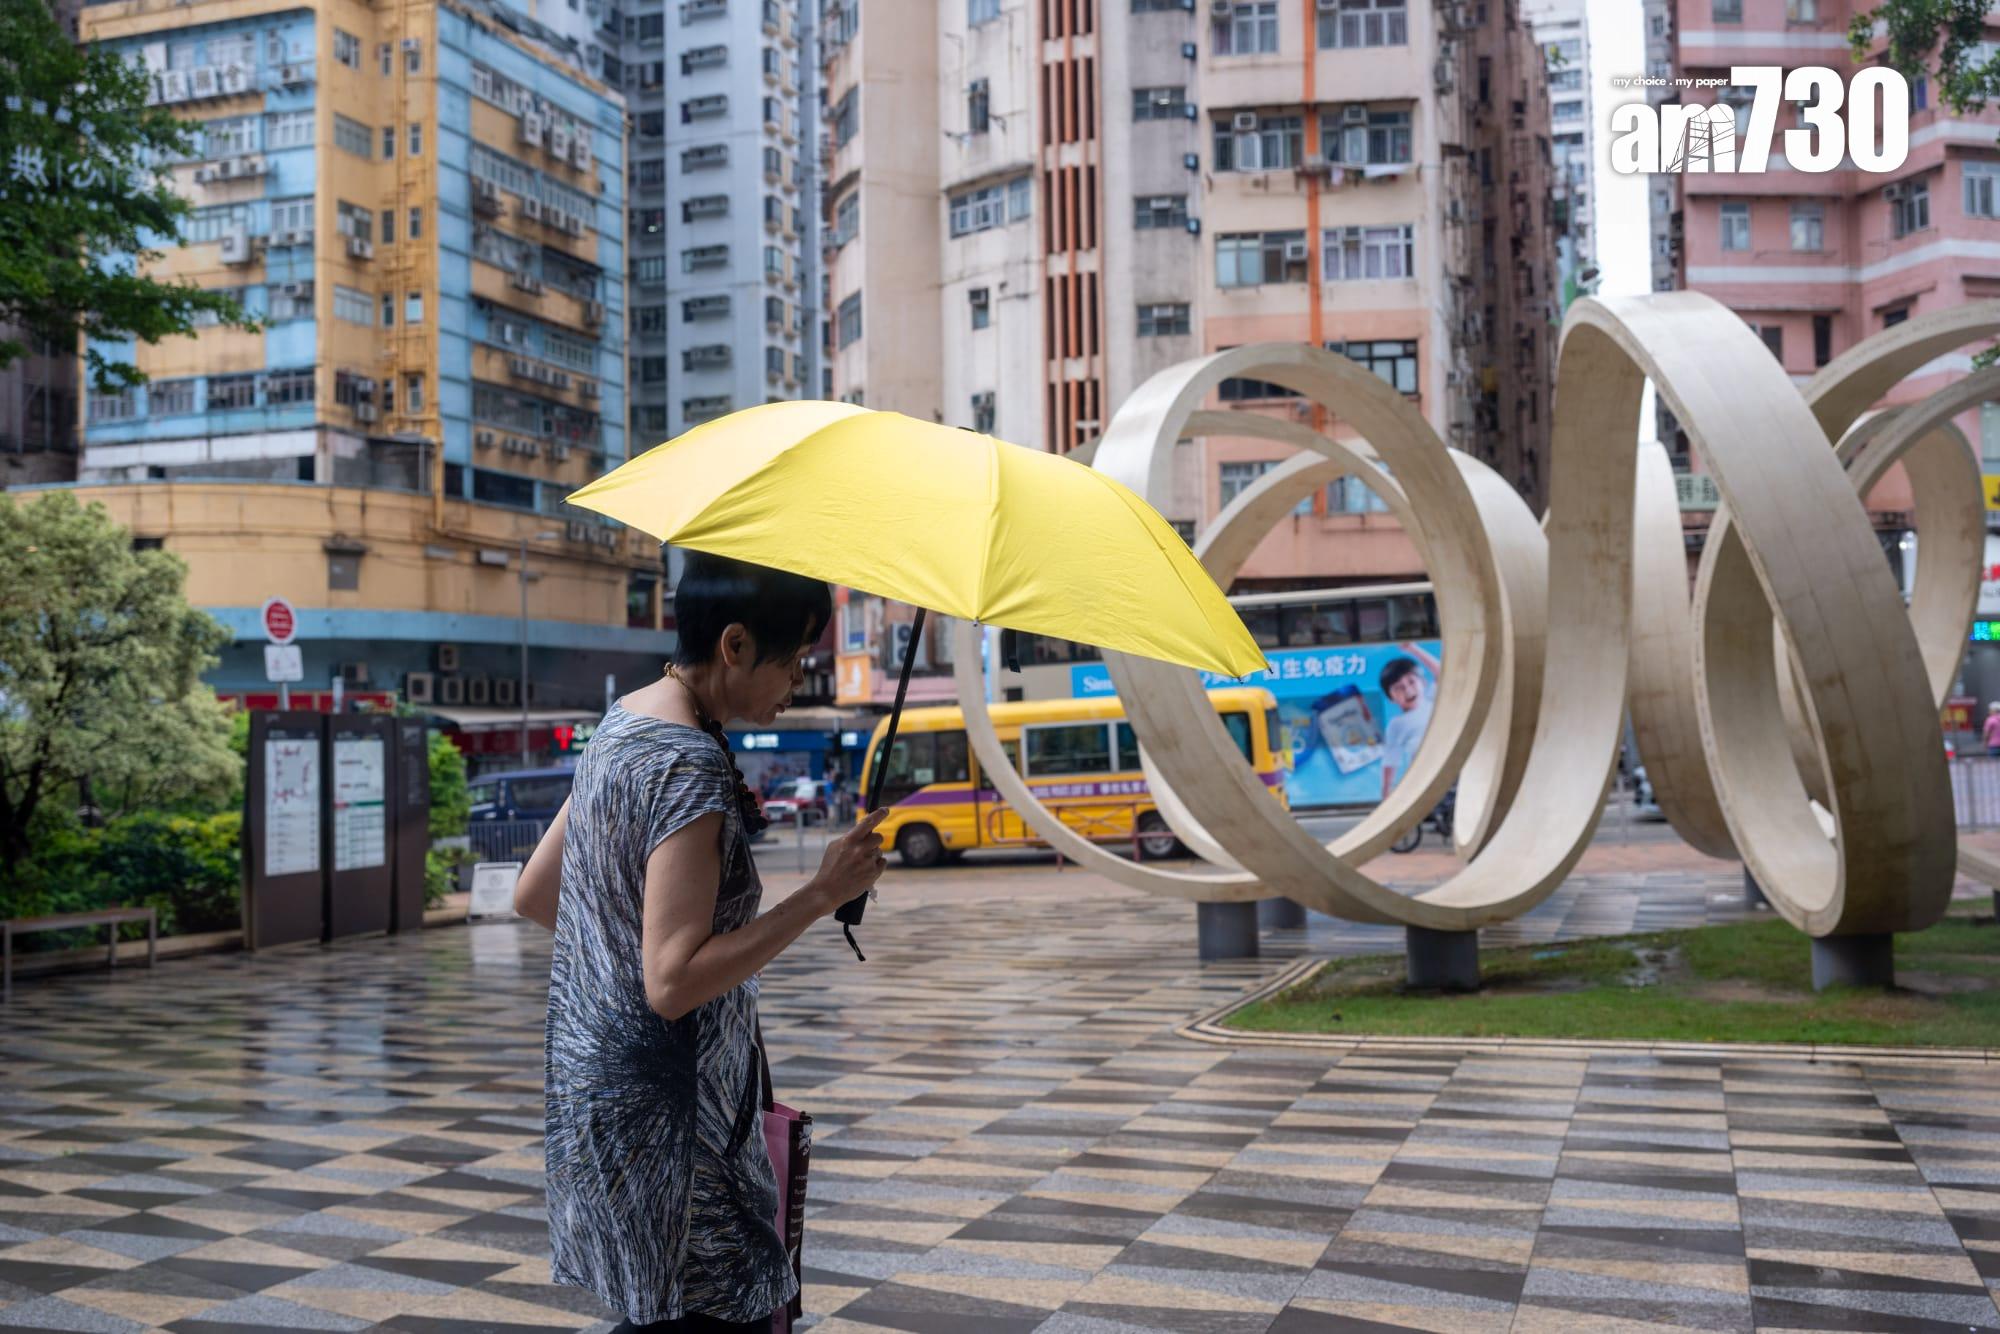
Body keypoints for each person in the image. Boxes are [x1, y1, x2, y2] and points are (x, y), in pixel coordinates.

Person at [511, 548, 889, 1334]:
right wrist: (822, 894)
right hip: (675, 1119)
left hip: (603, 1092)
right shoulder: (688, 767)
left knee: (668, 1313)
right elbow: (674, 981)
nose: (799, 684)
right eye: (795, 663)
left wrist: (628, 947)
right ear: (736, 645)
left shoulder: (623, 725)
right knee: (724, 1310)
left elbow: (539, 892)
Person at [1378, 642, 1440, 800]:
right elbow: (1391, 759)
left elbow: (1440, 671)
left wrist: (1413, 649)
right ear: (1391, 698)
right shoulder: (1397, 724)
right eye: (1398, 688)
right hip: (1422, 776)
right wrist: (1386, 794)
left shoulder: (1434, 700)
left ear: (1423, 682)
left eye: (1412, 682)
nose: (1408, 690)